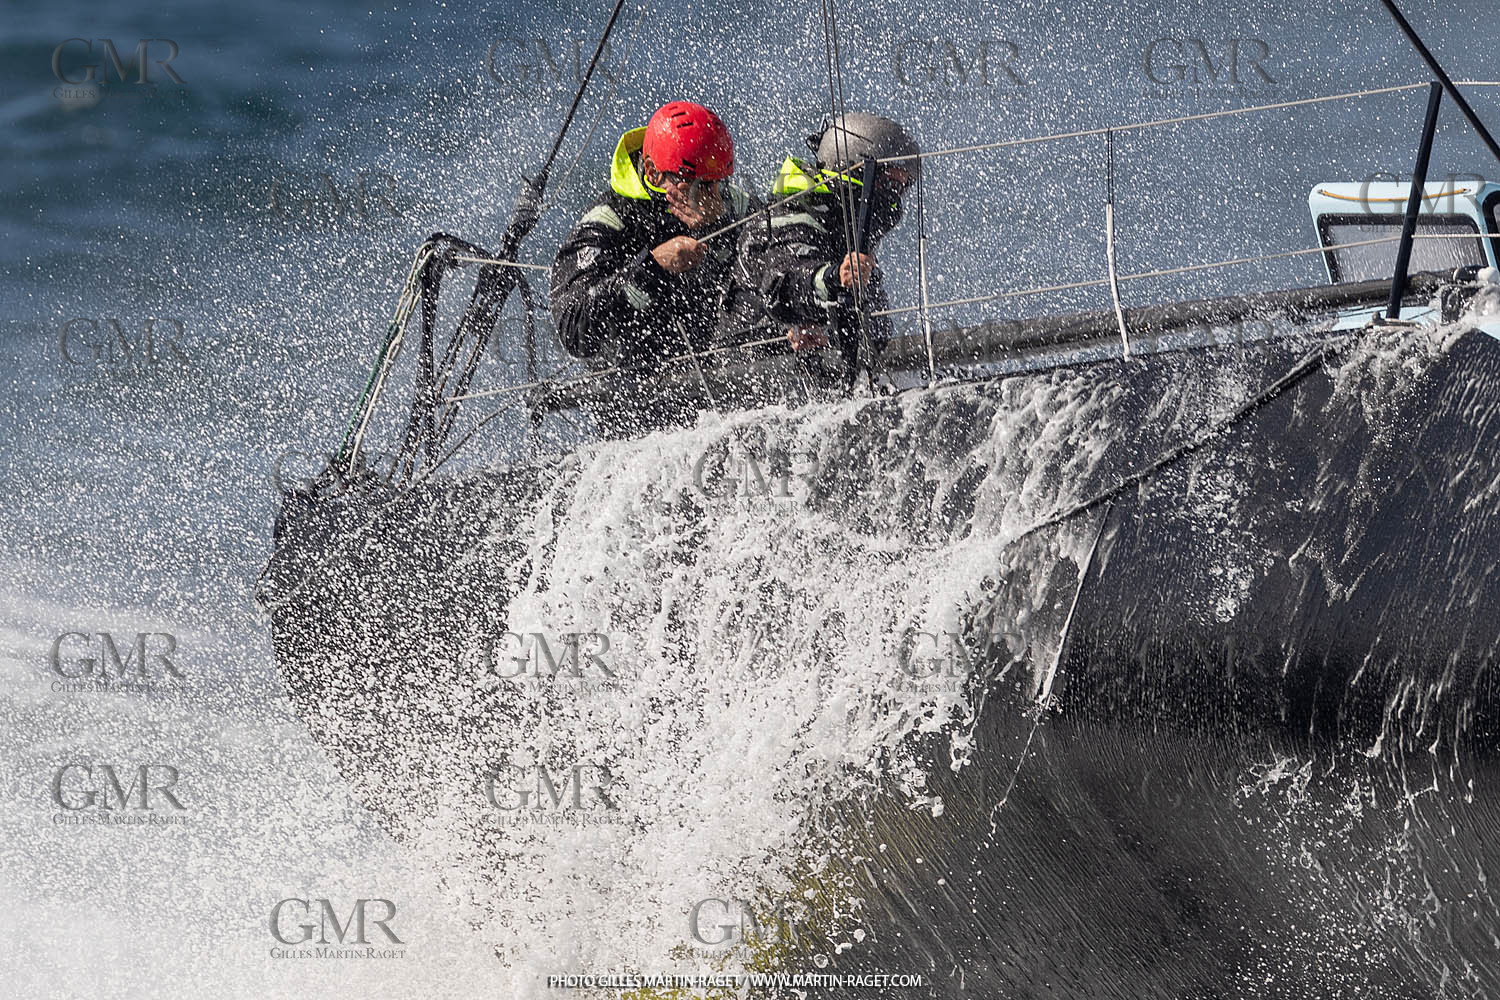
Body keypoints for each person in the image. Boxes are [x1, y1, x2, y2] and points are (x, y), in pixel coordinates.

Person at [550, 100, 755, 435]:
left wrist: (718, 231)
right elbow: (574, 330)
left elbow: (771, 262)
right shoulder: (607, 222)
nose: (712, 196)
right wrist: (652, 267)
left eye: (717, 182)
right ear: (652, 171)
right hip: (642, 410)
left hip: (728, 386)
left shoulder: (730, 204)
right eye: (696, 184)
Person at [718, 113, 920, 386]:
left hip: (814, 386)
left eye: (903, 187)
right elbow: (784, 286)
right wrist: (833, 278)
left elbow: (878, 327)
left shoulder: (848, 244)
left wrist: (836, 332)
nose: (895, 198)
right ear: (852, 172)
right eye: (890, 184)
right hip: (746, 380)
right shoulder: (784, 218)